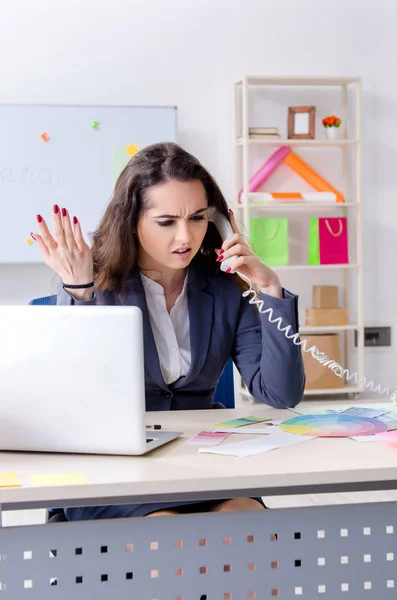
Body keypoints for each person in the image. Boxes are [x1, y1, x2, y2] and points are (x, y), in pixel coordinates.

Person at [31, 142, 305, 520]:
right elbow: (69, 400)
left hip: (201, 462)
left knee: (251, 525)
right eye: (166, 222)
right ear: (132, 221)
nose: (186, 237)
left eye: (197, 218)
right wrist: (79, 290)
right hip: (116, 470)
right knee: (168, 538)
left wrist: (270, 288)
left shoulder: (225, 287)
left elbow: (280, 392)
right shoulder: (94, 285)